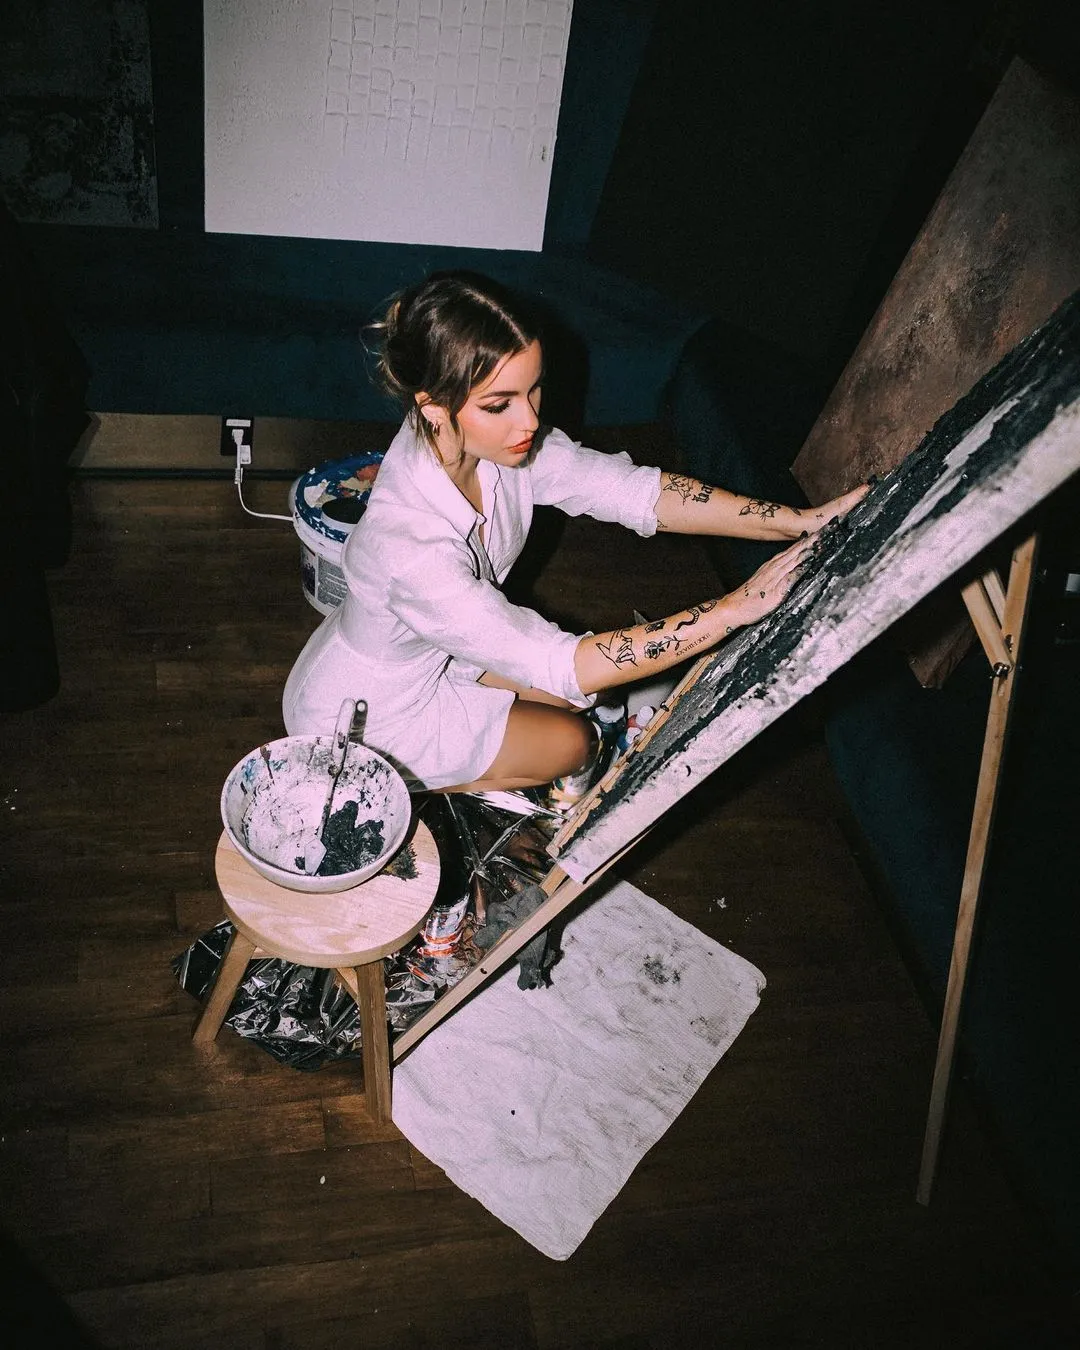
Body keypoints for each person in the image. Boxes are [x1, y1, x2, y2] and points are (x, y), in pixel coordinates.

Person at [282, 271, 864, 795]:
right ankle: (409, 787)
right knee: (574, 743)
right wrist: (736, 609)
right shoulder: (409, 547)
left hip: (445, 649)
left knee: (595, 695)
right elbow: (561, 662)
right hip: (372, 717)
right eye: (500, 404)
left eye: (533, 388)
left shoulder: (479, 439)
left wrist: (797, 520)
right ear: (433, 406)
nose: (530, 420)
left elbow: (634, 492)